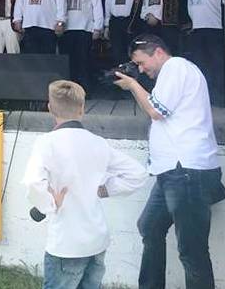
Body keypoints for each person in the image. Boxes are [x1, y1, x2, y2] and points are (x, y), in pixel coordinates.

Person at [113, 34, 225, 289]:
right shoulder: (174, 72)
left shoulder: (175, 67)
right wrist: (134, 85)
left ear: (159, 52)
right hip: (173, 171)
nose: (142, 70)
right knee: (149, 226)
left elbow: (156, 111)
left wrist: (133, 85)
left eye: (141, 63)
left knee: (191, 249)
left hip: (186, 170)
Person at [23, 80, 147, 289]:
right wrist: (105, 189)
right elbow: (138, 173)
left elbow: (32, 181)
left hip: (66, 243)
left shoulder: (47, 143)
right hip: (96, 240)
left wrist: (49, 203)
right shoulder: (98, 143)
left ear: (50, 108)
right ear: (82, 108)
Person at [187, 0, 225, 106]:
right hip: (197, 27)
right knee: (200, 64)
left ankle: (221, 97)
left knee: (217, 62)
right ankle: (204, 98)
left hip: (215, 26)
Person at [59, 0, 103, 92]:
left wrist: (98, 27)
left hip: (85, 28)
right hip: (67, 29)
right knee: (68, 62)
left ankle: (85, 91)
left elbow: (97, 5)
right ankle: (69, 91)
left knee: (83, 61)